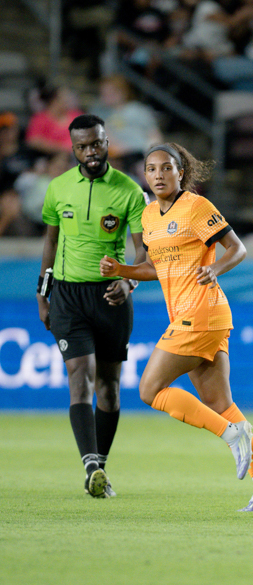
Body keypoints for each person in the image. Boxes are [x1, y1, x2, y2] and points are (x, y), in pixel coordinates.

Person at [98, 143, 253, 512]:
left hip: (200, 312)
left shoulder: (196, 206)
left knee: (150, 389)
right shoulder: (149, 216)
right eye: (151, 169)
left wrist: (214, 268)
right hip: (200, 317)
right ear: (145, 175)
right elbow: (156, 268)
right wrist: (122, 270)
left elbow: (237, 248)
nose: (158, 175)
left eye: (166, 168)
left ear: (180, 172)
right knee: (219, 403)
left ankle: (231, 433)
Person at [36, 114, 146, 497]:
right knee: (79, 375)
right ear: (73, 148)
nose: (91, 152)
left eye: (96, 144)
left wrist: (128, 281)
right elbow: (51, 243)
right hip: (68, 296)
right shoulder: (58, 188)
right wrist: (43, 293)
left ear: (106, 142)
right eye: (82, 147)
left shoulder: (130, 192)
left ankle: (100, 465)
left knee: (109, 389)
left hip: (110, 297)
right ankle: (91, 467)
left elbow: (144, 252)